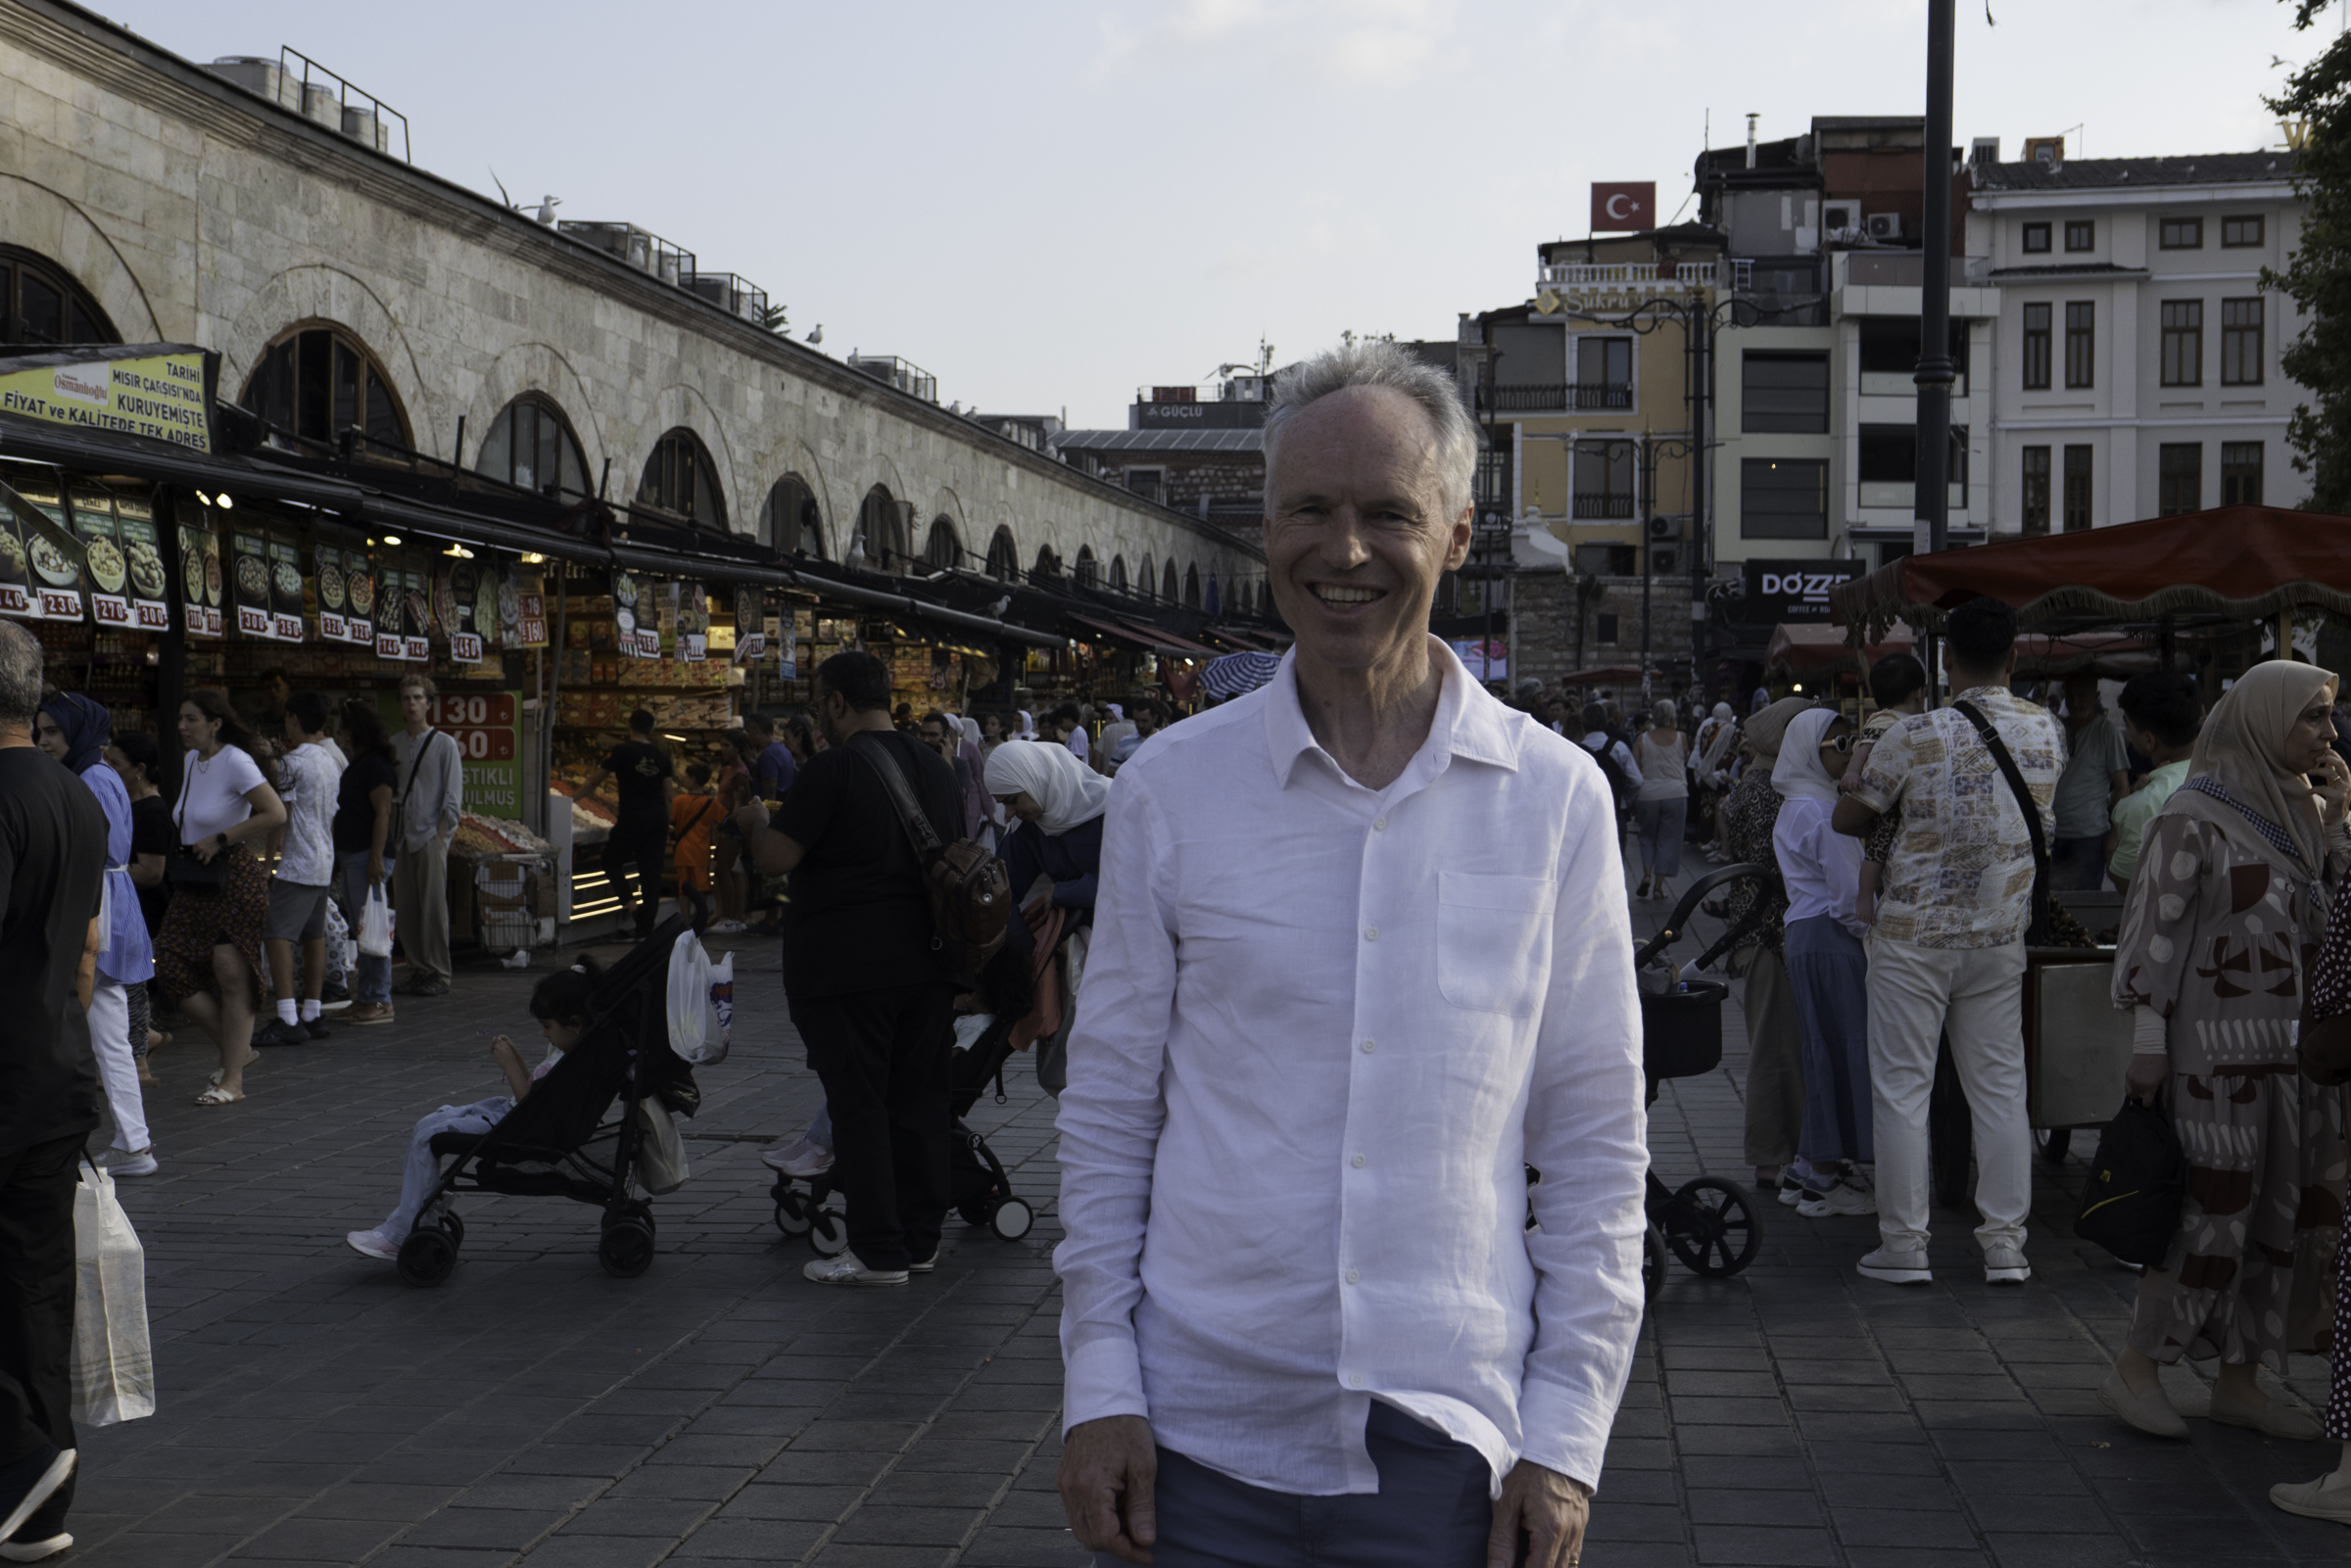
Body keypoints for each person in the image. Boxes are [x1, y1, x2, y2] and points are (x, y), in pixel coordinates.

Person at [1055, 341, 1642, 1568]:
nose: (1347, 550)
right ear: (1263, 526)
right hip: (1196, 1437)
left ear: (1461, 532)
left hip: (1447, 1445)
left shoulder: (1553, 797)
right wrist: (1098, 1381)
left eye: (1389, 512)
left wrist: (1568, 1430)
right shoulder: (1172, 788)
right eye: (1311, 510)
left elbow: (1592, 1141)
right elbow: (1110, 1108)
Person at [2098, 660, 2349, 1444]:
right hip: (2211, 1055)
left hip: (2295, 1054)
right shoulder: (2192, 813)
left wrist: (2337, 826)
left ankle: (2241, 1378)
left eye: (2328, 718)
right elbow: (2154, 934)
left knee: (2280, 1212)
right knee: (2207, 1215)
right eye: (2311, 717)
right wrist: (2148, 1046)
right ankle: (2139, 1365)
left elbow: (2332, 926)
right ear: (2261, 720)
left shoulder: (2306, 810)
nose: (2329, 734)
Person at [1834, 596, 2063, 1286]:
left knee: (1903, 1087)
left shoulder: (1913, 733)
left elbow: (1852, 817)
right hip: (1998, 931)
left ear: (1946, 659)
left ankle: (1904, 1246)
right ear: (2014, 657)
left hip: (1913, 934)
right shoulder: (2047, 730)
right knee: (1999, 1087)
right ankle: (2005, 1246)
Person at [736, 650, 965, 1287]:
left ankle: (876, 1250)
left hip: (850, 969)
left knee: (858, 1105)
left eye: (819, 702)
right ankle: (920, 1242)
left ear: (836, 702)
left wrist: (755, 823)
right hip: (931, 962)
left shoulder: (831, 768)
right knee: (920, 1102)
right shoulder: (939, 769)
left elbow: (777, 857)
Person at [0, 621, 106, 1562]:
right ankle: (40, 1497)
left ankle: (23, 1451)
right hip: (57, 1071)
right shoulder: (76, 797)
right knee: (36, 1290)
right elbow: (90, 947)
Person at [344, 958, 602, 1261]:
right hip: (510, 1116)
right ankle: (421, 1211)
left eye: (547, 1027)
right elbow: (535, 1093)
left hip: (517, 1127)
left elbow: (535, 1111)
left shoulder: (572, 1064)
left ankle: (403, 1231)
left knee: (430, 1135)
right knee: (431, 1122)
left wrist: (508, 1065)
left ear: (575, 1024)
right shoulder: (575, 1051)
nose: (545, 1034)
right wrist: (517, 1058)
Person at [33, 693, 154, 1180]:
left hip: (96, 905)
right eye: (40, 731)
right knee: (109, 1032)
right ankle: (133, 1140)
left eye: (52, 733)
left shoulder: (89, 779)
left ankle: (128, 1141)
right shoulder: (100, 774)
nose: (43, 742)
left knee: (98, 1027)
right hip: (109, 901)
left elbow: (92, 848)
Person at [153, 690, 287, 1108]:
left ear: (215, 723)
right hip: (196, 879)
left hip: (232, 876)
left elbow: (275, 813)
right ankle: (238, 1051)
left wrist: (221, 837)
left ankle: (232, 1079)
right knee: (171, 964)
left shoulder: (236, 760)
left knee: (231, 975)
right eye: (180, 718)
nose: (182, 726)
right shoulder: (194, 761)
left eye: (191, 718)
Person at [1771, 708, 1875, 1219]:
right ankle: (1827, 1176)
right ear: (1813, 751)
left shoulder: (1796, 804)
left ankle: (1811, 1167)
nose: (1848, 751)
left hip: (1804, 934)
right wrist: (1869, 935)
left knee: (1822, 1047)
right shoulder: (1824, 812)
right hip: (1831, 938)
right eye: (1840, 744)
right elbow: (1849, 896)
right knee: (1844, 1047)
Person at [1722, 697, 1813, 1199]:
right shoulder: (1769, 791)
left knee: (1777, 1046)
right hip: (1769, 934)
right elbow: (1773, 870)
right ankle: (1772, 1160)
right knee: (1777, 1051)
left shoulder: (1758, 784)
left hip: (1759, 933)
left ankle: (1783, 1155)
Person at [256, 691, 342, 1048]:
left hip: (298, 861)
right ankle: (312, 1011)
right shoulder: (330, 760)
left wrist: (269, 860)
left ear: (292, 719)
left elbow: (280, 816)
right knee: (314, 936)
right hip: (323, 858)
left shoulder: (293, 763)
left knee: (276, 933)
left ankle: (288, 1015)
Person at [390, 675, 462, 995]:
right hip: (402, 836)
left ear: (428, 703)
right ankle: (418, 968)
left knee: (433, 908)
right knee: (406, 909)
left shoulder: (444, 744)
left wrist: (442, 836)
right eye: (406, 698)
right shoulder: (394, 744)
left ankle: (439, 973)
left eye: (418, 698)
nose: (412, 703)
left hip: (431, 834)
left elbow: (452, 794)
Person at [107, 733, 173, 1075]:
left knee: (131, 985)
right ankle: (144, 1041)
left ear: (140, 769)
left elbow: (151, 872)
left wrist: (109, 872)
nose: (109, 769)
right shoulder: (130, 804)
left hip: (145, 911)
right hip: (132, 908)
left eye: (116, 764)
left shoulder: (150, 810)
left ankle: (139, 1058)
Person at [986, 738, 1110, 917]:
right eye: (1003, 804)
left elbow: (1132, 879)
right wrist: (1024, 943)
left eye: (1012, 801)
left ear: (1036, 779)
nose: (1010, 812)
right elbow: (1000, 892)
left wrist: (1065, 892)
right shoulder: (1029, 826)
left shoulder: (1111, 805)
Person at [579, 709, 674, 939]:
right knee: (651, 874)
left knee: (611, 861)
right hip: (658, 818)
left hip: (633, 817)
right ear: (651, 729)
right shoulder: (662, 755)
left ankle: (633, 908)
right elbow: (668, 795)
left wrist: (568, 800)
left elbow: (594, 781)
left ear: (629, 726)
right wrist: (668, 824)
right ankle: (645, 928)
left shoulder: (621, 751)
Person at [333, 700, 399, 1028]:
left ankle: (379, 998)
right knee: (363, 927)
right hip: (354, 855)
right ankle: (368, 994)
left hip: (366, 856)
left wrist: (375, 857)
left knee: (372, 926)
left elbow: (383, 812)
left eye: (343, 727)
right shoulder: (361, 763)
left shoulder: (374, 766)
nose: (340, 734)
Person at [1851, 653, 1930, 929]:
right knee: (1877, 850)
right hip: (1885, 802)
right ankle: (1864, 897)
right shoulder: (1887, 721)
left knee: (1879, 850)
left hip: (1891, 798)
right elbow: (1864, 747)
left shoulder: (1886, 718)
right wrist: (1851, 773)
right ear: (1918, 692)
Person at [2106, 671, 2201, 898]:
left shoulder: (2140, 805)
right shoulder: (2230, 775)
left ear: (2149, 740)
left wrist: (2115, 835)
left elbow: (2125, 882)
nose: (2127, 732)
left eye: (2128, 726)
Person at [2050, 671, 2129, 891]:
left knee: (2085, 901)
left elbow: (2122, 787)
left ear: (2096, 696)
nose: (2075, 703)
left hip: (2090, 837)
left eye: (2082, 696)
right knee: (2053, 900)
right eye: (2071, 696)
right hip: (2053, 832)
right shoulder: (2056, 728)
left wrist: (2115, 833)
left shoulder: (2107, 732)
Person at [1632, 698, 1689, 901]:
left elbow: (1635, 769)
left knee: (1647, 836)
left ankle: (1646, 874)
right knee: (1669, 839)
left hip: (1648, 794)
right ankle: (1658, 886)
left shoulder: (1642, 739)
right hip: (1675, 793)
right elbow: (1685, 759)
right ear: (1672, 716)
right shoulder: (1681, 738)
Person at [667, 761, 720, 926]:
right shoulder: (712, 803)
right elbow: (725, 819)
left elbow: (672, 823)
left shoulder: (679, 800)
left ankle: (686, 922)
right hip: (701, 852)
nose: (685, 780)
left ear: (693, 779)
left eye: (687, 777)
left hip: (682, 851)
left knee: (683, 889)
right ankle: (699, 920)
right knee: (701, 889)